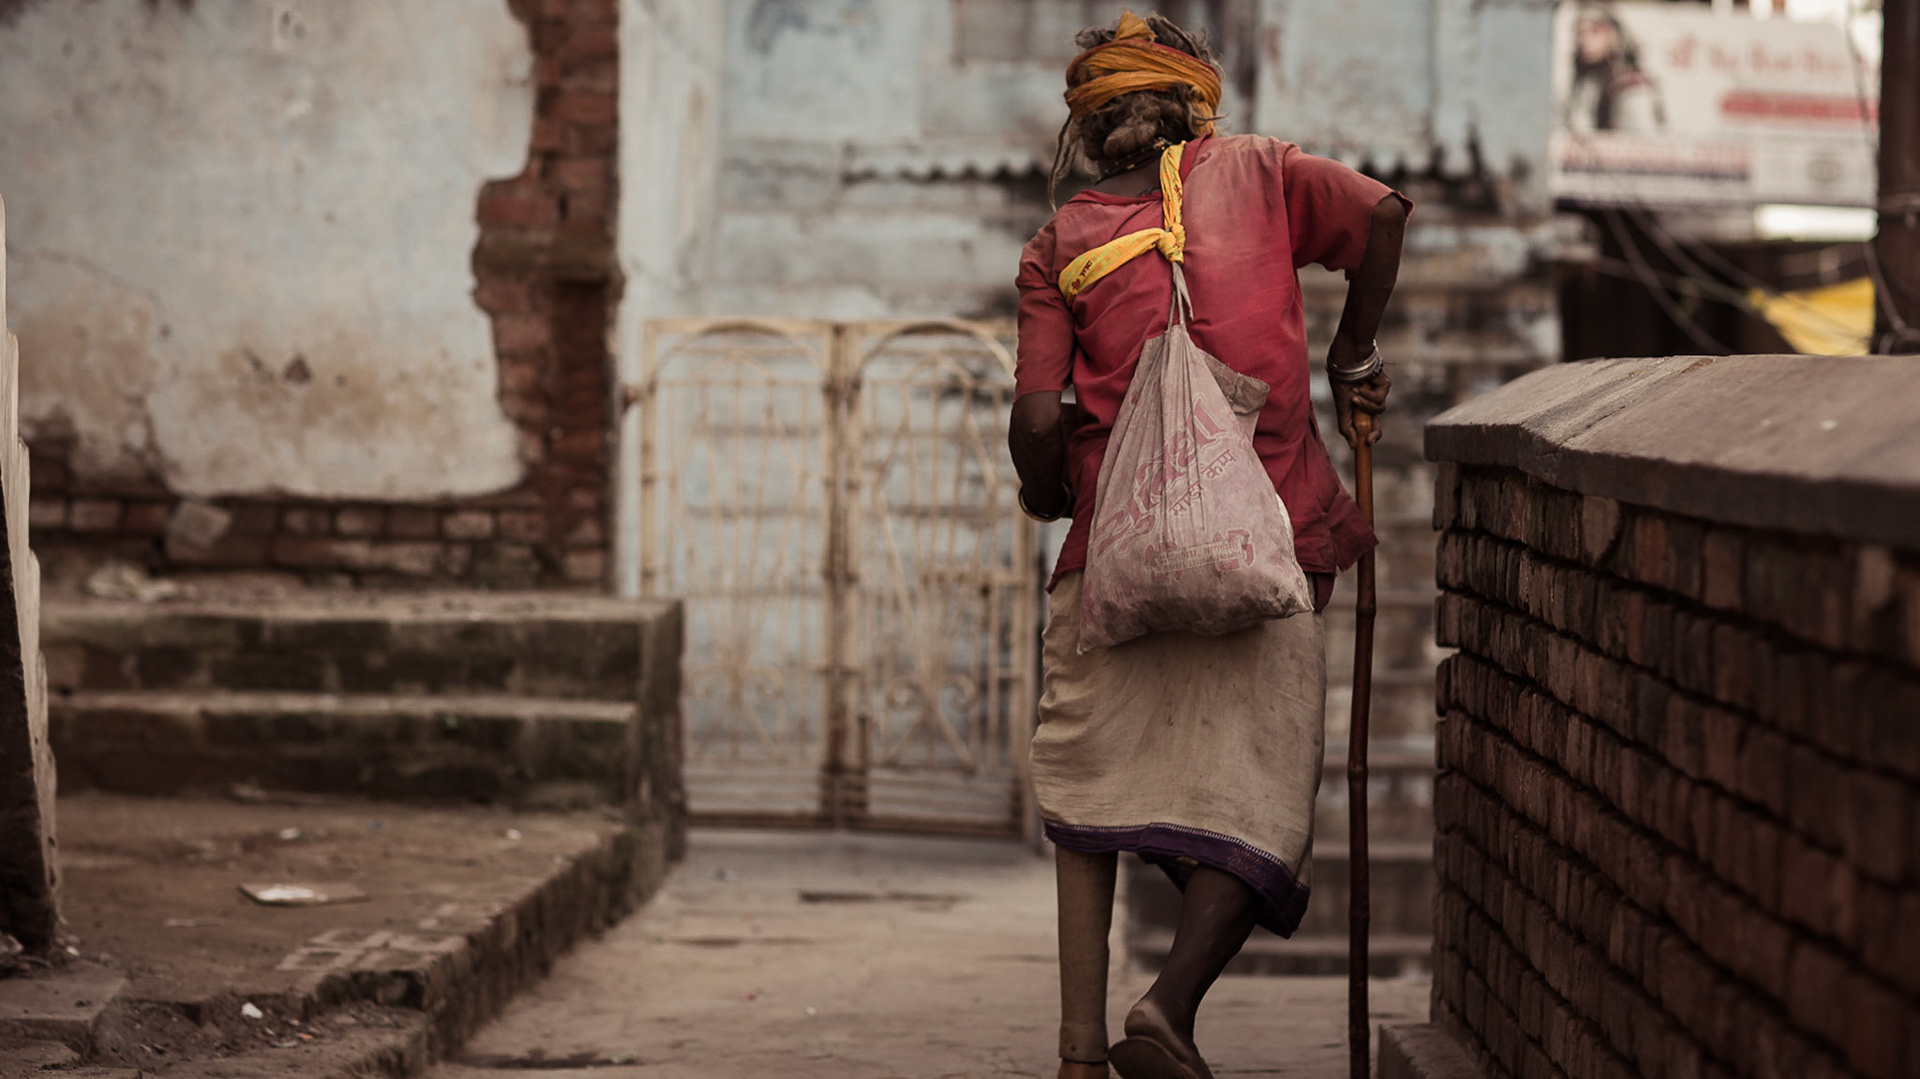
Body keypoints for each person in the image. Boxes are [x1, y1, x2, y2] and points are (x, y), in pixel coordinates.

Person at [1007, 11, 1407, 1079]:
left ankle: (1081, 1052)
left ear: (1089, 130)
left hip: (1113, 558)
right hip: (1270, 539)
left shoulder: (1059, 245)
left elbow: (1042, 422)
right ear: (1196, 103)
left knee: (1100, 794)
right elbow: (1381, 216)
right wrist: (1352, 346)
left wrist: (1052, 495)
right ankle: (1169, 1004)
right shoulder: (1267, 174)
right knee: (1259, 794)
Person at [1565, 3, 1665, 133]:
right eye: (1580, 33)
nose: (1584, 40)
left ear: (1613, 34)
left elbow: (1642, 144)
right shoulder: (1589, 80)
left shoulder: (1631, 87)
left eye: (1595, 31)